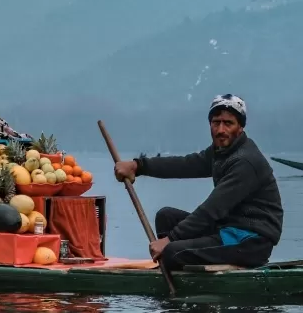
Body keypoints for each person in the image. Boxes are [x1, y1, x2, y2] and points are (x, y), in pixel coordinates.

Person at [113, 94, 283, 271]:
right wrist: (138, 166)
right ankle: (178, 273)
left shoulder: (245, 162)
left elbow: (212, 209)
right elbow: (185, 165)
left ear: (240, 127)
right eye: (216, 122)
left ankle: (177, 271)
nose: (220, 130)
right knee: (166, 217)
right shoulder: (221, 151)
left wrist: (169, 240)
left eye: (228, 123)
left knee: (172, 251)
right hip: (227, 230)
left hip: (250, 241)